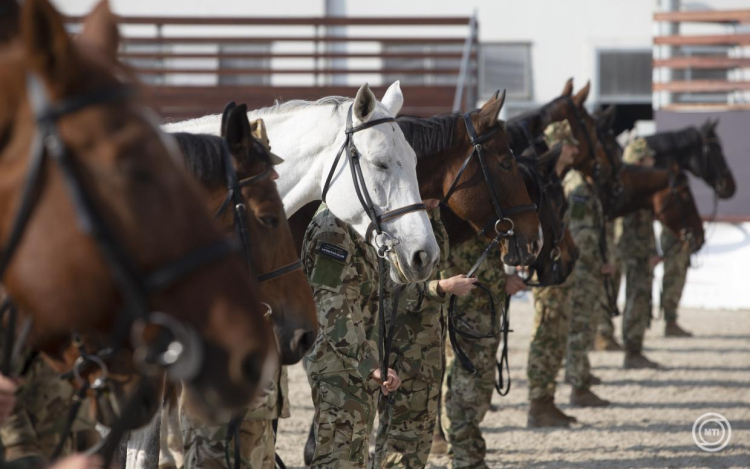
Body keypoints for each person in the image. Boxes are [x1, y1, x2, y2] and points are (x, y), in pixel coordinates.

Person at [372, 201, 476, 469]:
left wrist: (434, 211)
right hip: (403, 357)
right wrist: (441, 287)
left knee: (420, 440)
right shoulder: (389, 237)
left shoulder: (422, 233)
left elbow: (441, 248)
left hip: (426, 359)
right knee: (399, 440)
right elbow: (391, 294)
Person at [301, 203, 401, 469]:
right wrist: (368, 364)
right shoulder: (332, 229)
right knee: (338, 459)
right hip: (338, 363)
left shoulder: (357, 222)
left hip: (356, 363)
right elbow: (332, 307)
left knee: (353, 457)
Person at [439, 233, 526, 468]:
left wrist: (507, 277)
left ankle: (466, 454)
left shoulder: (482, 224)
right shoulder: (454, 225)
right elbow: (462, 274)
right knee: (464, 392)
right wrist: (502, 279)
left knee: (479, 392)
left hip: (485, 322)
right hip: (465, 322)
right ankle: (465, 459)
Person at [527, 120, 585, 427]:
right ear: (556, 146)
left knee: (558, 335)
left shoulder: (557, 181)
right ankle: (538, 403)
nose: (575, 149)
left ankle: (547, 400)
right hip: (547, 271)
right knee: (545, 334)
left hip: (561, 270)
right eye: (570, 144)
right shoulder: (541, 181)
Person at [562, 125, 614, 407]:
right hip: (584, 269)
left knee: (584, 325)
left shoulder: (582, 181)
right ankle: (578, 386)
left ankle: (580, 377)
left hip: (587, 266)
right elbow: (582, 232)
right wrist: (598, 264)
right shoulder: (579, 185)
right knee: (581, 326)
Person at [617, 138, 662, 369]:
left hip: (642, 252)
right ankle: (632, 352)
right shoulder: (629, 188)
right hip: (634, 253)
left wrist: (654, 251)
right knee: (637, 298)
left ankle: (635, 349)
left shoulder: (640, 186)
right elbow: (626, 229)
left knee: (641, 298)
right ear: (637, 161)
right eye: (647, 158)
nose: (652, 162)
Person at [660, 228, 693, 337]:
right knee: (672, 281)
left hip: (681, 241)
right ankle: (670, 322)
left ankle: (671, 321)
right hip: (673, 241)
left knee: (677, 281)